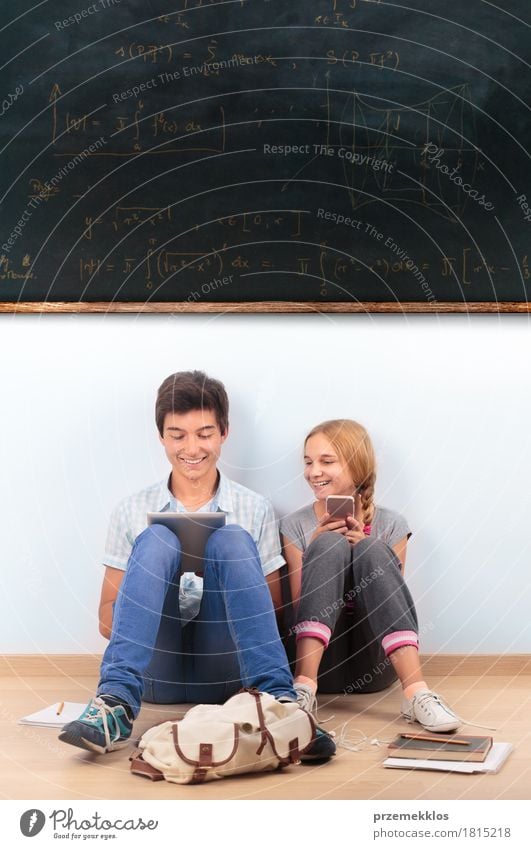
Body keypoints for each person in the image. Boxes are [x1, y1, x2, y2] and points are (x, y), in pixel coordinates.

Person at [59, 371, 335, 758]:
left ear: (224, 432)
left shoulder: (254, 509)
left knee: (231, 538)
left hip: (226, 668)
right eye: (178, 435)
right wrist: (159, 584)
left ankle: (280, 708)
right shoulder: (131, 510)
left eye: (204, 434)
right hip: (158, 667)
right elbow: (106, 620)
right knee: (157, 538)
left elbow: (272, 615)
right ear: (161, 436)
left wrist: (211, 582)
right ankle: (115, 705)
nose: (192, 447)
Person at [280, 419, 461, 734]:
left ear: (356, 465)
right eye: (309, 462)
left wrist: (365, 546)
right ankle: (303, 691)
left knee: (373, 551)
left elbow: (392, 605)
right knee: (327, 542)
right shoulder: (295, 525)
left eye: (326, 461)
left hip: (375, 663)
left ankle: (416, 693)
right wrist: (316, 548)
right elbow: (297, 605)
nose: (313, 472)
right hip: (320, 662)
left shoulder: (392, 524)